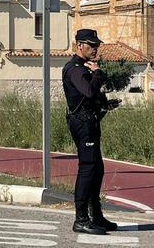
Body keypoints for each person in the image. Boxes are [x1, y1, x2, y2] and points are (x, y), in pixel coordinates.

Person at [62, 28, 120, 235]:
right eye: (91, 45)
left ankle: (96, 216)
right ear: (80, 45)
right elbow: (87, 90)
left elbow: (89, 97)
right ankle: (81, 219)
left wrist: (105, 104)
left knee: (97, 169)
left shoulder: (84, 67)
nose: (96, 49)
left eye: (97, 45)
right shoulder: (75, 68)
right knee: (87, 168)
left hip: (90, 121)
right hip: (82, 124)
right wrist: (97, 74)